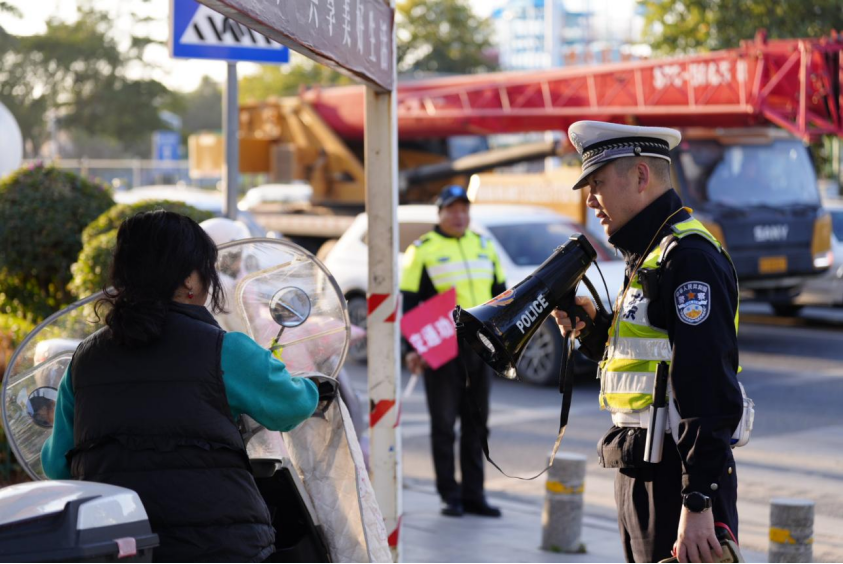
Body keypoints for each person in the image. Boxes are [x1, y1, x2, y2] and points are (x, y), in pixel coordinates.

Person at [41, 210, 320, 563]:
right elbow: (292, 406)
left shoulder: (84, 360)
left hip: (118, 545)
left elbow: (57, 464)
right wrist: (312, 387)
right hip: (222, 547)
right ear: (190, 279)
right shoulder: (224, 349)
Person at [555, 122, 744, 563]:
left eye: (598, 183)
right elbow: (650, 359)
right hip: (643, 466)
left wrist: (698, 499)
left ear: (641, 176)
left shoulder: (689, 257)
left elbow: (708, 384)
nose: (590, 200)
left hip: (675, 475)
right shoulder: (650, 252)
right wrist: (595, 329)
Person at [400, 185, 507, 518]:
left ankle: (474, 495)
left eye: (464, 209)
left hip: (481, 347)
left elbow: (502, 294)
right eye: (452, 209)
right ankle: (450, 495)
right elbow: (410, 303)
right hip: (442, 345)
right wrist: (412, 348)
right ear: (441, 213)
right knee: (444, 425)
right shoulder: (422, 250)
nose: (459, 216)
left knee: (477, 424)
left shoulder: (484, 245)